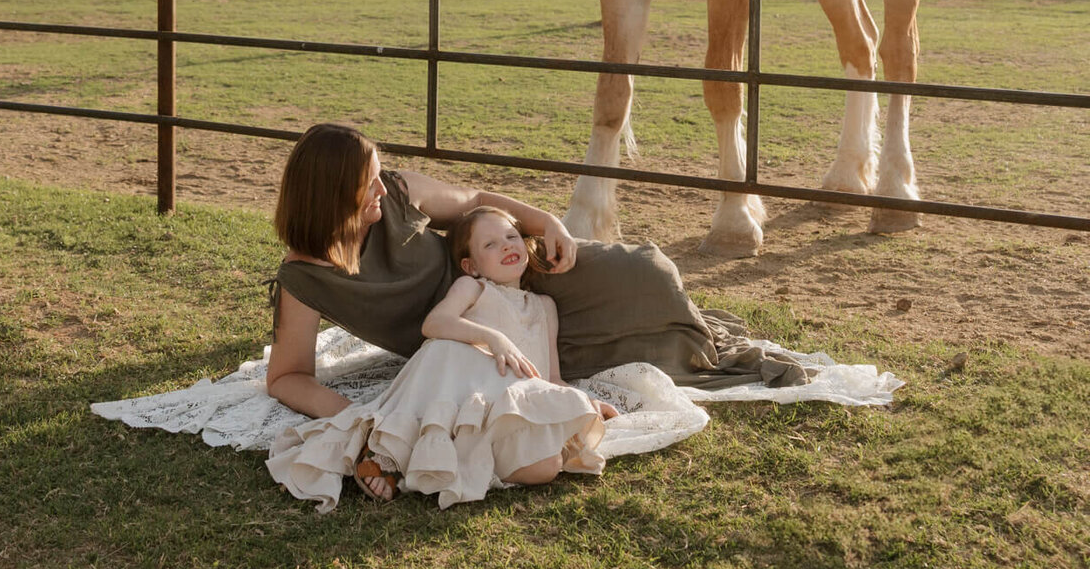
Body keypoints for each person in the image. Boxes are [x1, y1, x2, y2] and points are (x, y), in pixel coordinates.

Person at [264, 125, 812, 438]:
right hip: (474, 329)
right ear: (331, 195)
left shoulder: (401, 194)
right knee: (599, 354)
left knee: (647, 272)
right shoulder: (305, 277)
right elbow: (286, 376)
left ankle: (692, 329)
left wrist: (543, 222)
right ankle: (691, 345)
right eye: (368, 185)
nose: (382, 189)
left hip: (505, 265)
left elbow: (477, 202)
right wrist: (355, 416)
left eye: (382, 175)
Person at [267, 203, 615, 509]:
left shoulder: (545, 307)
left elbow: (550, 377)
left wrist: (584, 401)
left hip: (513, 397)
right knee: (450, 350)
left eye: (512, 237)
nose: (507, 246)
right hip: (465, 383)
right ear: (472, 266)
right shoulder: (473, 288)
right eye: (490, 245)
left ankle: (465, 455)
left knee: (549, 466)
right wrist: (491, 338)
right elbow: (435, 323)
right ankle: (389, 454)